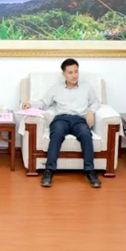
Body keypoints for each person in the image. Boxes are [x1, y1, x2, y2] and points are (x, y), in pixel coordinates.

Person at [22, 58, 101, 189]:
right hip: (61, 119)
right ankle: (49, 171)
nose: (74, 75)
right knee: (57, 134)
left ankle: (90, 171)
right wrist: (30, 104)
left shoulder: (86, 87)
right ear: (63, 74)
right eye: (70, 72)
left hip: (79, 119)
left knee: (86, 135)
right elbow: (43, 103)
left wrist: (91, 111)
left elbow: (96, 102)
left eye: (76, 71)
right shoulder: (56, 88)